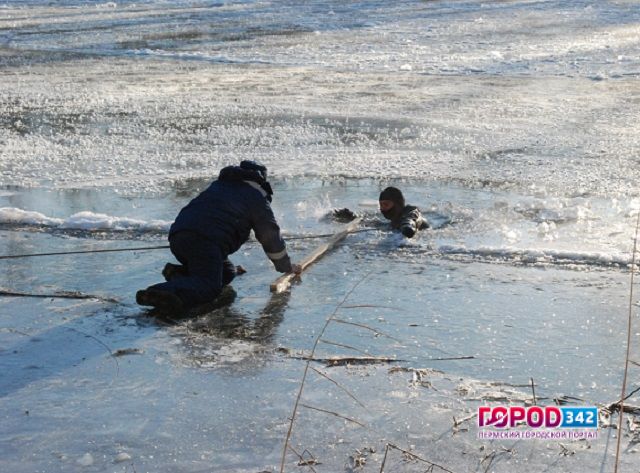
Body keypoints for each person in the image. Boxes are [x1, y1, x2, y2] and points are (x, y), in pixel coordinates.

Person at [136, 161, 301, 313]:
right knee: (209, 287)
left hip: (179, 236)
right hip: (204, 242)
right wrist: (286, 266)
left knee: (227, 272)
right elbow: (270, 236)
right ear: (261, 180)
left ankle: (179, 275)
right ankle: (161, 292)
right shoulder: (255, 196)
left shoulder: (220, 185)